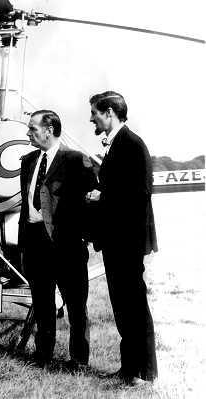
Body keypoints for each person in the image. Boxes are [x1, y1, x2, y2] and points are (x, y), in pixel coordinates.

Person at [86, 91, 158, 388]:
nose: (91, 118)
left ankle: (143, 372)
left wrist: (104, 195)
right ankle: (130, 369)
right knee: (123, 307)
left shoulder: (131, 143)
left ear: (110, 113)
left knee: (133, 306)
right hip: (116, 241)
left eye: (95, 113)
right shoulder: (118, 143)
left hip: (126, 243)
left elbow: (140, 192)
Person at [18, 110, 98, 370]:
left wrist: (82, 238)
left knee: (76, 306)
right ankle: (43, 355)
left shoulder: (76, 160)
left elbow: (90, 203)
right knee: (42, 303)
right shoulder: (28, 160)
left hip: (67, 246)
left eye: (33, 128)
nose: (28, 133)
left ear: (49, 130)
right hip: (34, 243)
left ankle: (78, 361)